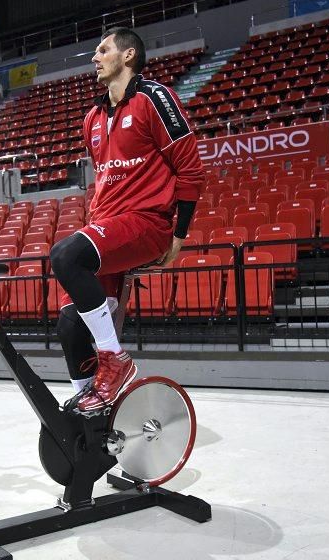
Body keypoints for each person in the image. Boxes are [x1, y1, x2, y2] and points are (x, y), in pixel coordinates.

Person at [50, 27, 205, 413]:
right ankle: (92, 411)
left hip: (146, 224)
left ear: (129, 55)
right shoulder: (92, 118)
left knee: (65, 256)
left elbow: (191, 172)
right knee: (68, 327)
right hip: (108, 232)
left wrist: (178, 237)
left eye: (103, 49)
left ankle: (114, 359)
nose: (94, 57)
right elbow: (105, 178)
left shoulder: (155, 98)